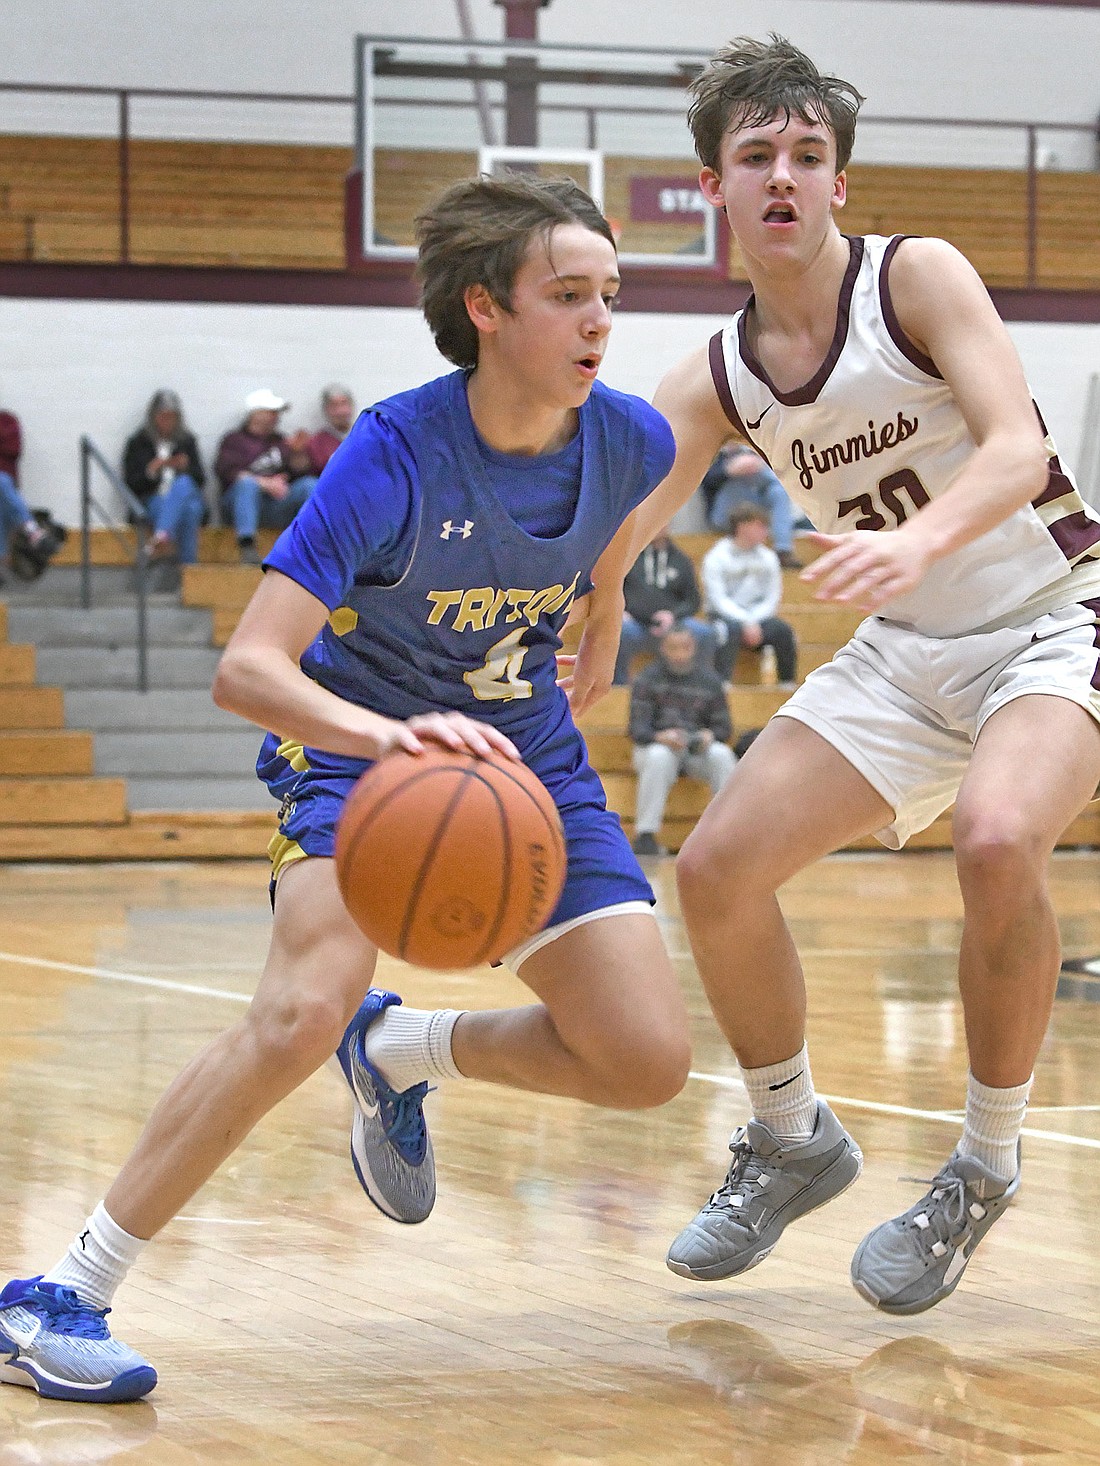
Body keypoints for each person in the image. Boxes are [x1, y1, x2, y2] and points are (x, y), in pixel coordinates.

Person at [0, 172, 690, 1402]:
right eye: (568, 296)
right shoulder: (393, 453)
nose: (598, 321)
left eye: (610, 297)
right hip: (359, 758)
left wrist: (608, 601)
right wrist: (390, 739)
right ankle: (61, 1292)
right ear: (485, 308)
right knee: (298, 1008)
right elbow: (246, 668)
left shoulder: (627, 433)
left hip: (527, 757)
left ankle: (406, 1048)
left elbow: (616, 523)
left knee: (643, 1058)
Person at [610, 34, 1100, 1314]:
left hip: (1053, 614)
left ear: (839, 181)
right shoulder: (712, 372)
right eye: (755, 155)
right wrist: (593, 595)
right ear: (708, 187)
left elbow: (1007, 446)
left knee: (997, 841)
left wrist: (917, 538)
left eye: (807, 154)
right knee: (713, 870)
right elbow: (622, 508)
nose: (784, 174)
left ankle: (981, 1165)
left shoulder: (916, 276)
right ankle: (788, 1135)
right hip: (903, 651)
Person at [628, 621, 736, 856]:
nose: (679, 654)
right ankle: (646, 835)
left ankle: (731, 832)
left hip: (695, 751)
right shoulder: (647, 678)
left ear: (693, 648)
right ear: (663, 649)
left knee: (722, 754)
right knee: (660, 757)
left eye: (684, 648)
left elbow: (724, 729)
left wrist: (710, 735)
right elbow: (637, 730)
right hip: (656, 748)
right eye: (673, 648)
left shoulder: (710, 681)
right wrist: (661, 737)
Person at [215, 389, 318, 564]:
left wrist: (298, 453)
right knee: (247, 484)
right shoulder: (234, 440)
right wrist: (264, 483)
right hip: (241, 505)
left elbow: (299, 473)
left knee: (309, 485)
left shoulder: (280, 441)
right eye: (272, 412)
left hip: (274, 505)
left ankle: (314, 542)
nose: (276, 417)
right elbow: (226, 472)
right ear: (256, 414)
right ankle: (246, 545)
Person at [701, 503, 798, 686]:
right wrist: (745, 621)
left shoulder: (768, 557)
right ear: (742, 526)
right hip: (724, 617)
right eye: (760, 526)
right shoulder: (717, 556)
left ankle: (787, 685)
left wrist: (753, 620)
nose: (765, 532)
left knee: (784, 631)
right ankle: (723, 685)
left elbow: (772, 597)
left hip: (759, 617)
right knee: (726, 632)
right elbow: (718, 599)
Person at [122, 389, 207, 580]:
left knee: (185, 485)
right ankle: (188, 571)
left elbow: (200, 480)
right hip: (153, 499)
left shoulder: (187, 441)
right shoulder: (138, 443)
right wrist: (151, 471)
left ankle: (161, 537)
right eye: (163, 417)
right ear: (153, 418)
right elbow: (131, 483)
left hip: (183, 496)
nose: (167, 422)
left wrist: (184, 468)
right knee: (190, 510)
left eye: (172, 417)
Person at [614, 528, 718, 684]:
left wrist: (672, 616)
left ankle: (701, 686)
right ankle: (617, 687)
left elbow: (693, 600)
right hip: (637, 623)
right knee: (618, 631)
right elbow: (616, 592)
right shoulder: (629, 557)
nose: (658, 527)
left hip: (675, 624)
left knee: (705, 634)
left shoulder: (681, 559)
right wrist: (634, 614)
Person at [701, 440, 805, 566]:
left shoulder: (753, 449)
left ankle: (783, 550)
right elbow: (705, 481)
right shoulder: (714, 454)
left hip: (757, 507)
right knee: (737, 483)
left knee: (778, 490)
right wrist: (728, 470)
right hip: (724, 516)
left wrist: (758, 465)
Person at [0, 404, 57, 586]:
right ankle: (32, 531)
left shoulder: (7, 420)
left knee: (2, 487)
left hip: (5, 485)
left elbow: (14, 449)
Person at [308, 383, 356, 474]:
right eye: (334, 406)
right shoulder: (318, 442)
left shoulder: (363, 434)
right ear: (325, 410)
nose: (340, 411)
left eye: (343, 404)